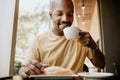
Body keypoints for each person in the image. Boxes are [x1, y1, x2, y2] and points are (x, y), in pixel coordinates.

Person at [19, 0, 105, 79]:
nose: (66, 19)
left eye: (70, 14)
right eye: (59, 14)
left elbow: (101, 65)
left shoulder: (82, 38)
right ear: (51, 15)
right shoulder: (39, 40)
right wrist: (24, 70)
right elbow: (23, 69)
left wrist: (93, 46)